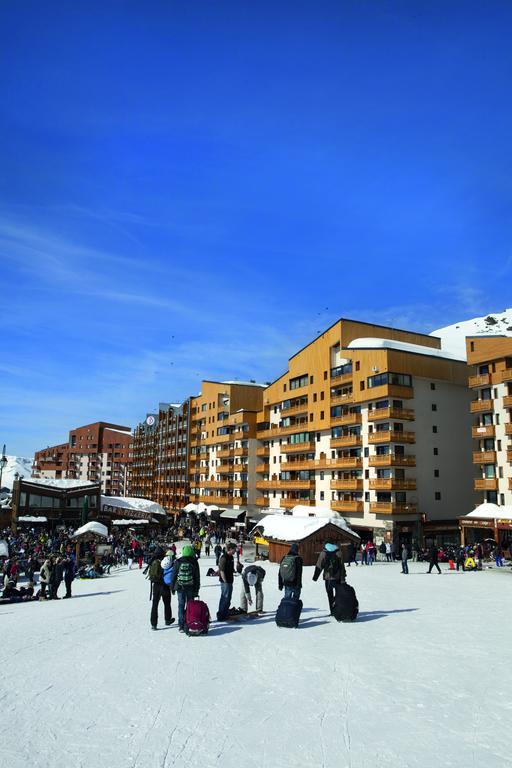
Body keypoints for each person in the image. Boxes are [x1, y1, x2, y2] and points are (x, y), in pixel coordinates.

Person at [170, 545, 200, 632]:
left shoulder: (178, 561)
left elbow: (173, 575)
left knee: (181, 605)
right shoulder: (194, 562)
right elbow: (197, 577)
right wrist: (196, 589)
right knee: (190, 605)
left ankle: (181, 625)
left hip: (180, 587)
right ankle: (189, 622)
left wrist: (172, 587)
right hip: (190, 587)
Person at [312, 541, 346, 613]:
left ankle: (332, 611)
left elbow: (319, 566)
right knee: (338, 594)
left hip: (328, 578)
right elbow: (342, 566)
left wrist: (315, 577)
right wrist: (343, 578)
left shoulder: (323, 553)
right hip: (338, 577)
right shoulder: (339, 552)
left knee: (330, 595)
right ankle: (338, 609)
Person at [148, 549, 174, 630]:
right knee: (167, 603)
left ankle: (153, 624)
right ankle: (167, 619)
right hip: (165, 585)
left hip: (156, 585)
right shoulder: (165, 561)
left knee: (155, 605)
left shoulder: (153, 561)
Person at [217, 542, 236, 620]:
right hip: (225, 581)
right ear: (230, 549)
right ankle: (221, 614)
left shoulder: (231, 557)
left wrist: (235, 570)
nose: (235, 551)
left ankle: (225, 612)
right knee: (225, 597)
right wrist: (225, 581)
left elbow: (231, 568)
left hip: (230, 580)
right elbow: (221, 570)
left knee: (228, 598)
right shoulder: (224, 557)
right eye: (234, 549)